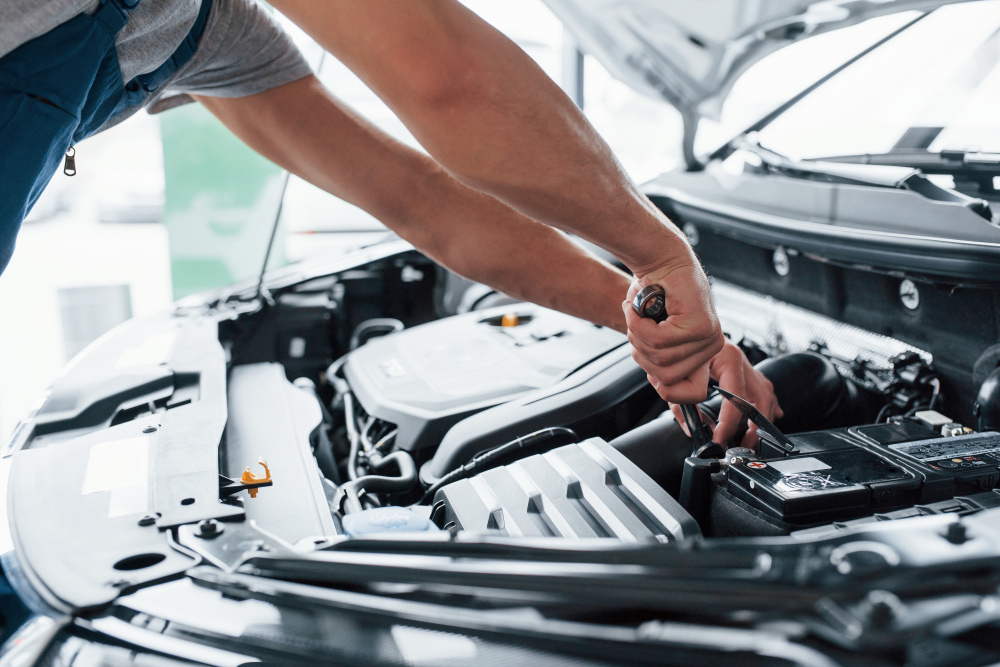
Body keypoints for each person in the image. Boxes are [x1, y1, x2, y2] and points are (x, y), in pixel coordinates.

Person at [0, 0, 780, 447]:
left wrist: (649, 320)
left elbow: (424, 201)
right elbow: (444, 76)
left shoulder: (202, 28)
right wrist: (662, 255)